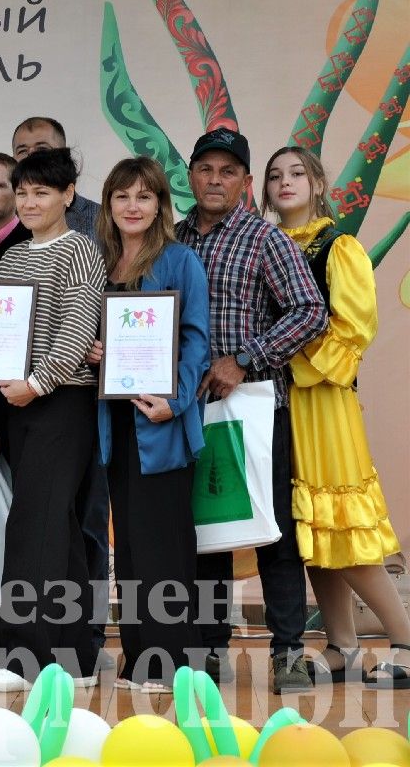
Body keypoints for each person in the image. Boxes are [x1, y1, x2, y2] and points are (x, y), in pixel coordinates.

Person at [176, 128, 326, 694]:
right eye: (206, 169)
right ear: (191, 175)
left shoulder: (266, 239)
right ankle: (210, 653)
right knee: (206, 533)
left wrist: (245, 358)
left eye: (228, 171)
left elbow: (311, 310)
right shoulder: (173, 238)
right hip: (189, 410)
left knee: (273, 533)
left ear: (244, 182)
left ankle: (288, 652)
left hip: (257, 411)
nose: (216, 180)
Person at [263, 146, 410, 687]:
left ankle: (405, 638)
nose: (286, 183)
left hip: (323, 398)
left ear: (318, 183)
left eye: (297, 173)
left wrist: (289, 355)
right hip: (280, 403)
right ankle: (342, 646)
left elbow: (352, 329)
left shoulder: (338, 247)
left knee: (341, 527)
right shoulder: (269, 244)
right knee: (310, 528)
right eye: (276, 175)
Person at [0, 148, 106, 693]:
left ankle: (23, 658)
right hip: (20, 403)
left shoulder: (82, 251)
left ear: (68, 196)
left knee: (34, 523)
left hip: (62, 402)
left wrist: (38, 382)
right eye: (22, 192)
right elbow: (8, 331)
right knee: (61, 529)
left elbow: (78, 329)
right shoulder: (15, 256)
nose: (29, 202)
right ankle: (75, 658)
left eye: (42, 193)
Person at [90, 157, 209, 691]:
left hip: (159, 420)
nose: (132, 206)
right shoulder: (98, 263)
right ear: (109, 205)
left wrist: (176, 400)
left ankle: (170, 659)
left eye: (144, 196)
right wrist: (95, 352)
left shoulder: (181, 260)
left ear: (161, 203)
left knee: (164, 544)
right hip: (112, 420)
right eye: (122, 196)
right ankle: (138, 656)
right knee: (131, 546)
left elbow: (195, 340)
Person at [10, 117, 101, 239]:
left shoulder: (100, 219)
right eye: (22, 151)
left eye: (42, 149)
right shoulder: (2, 217)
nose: (31, 156)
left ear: (64, 155)